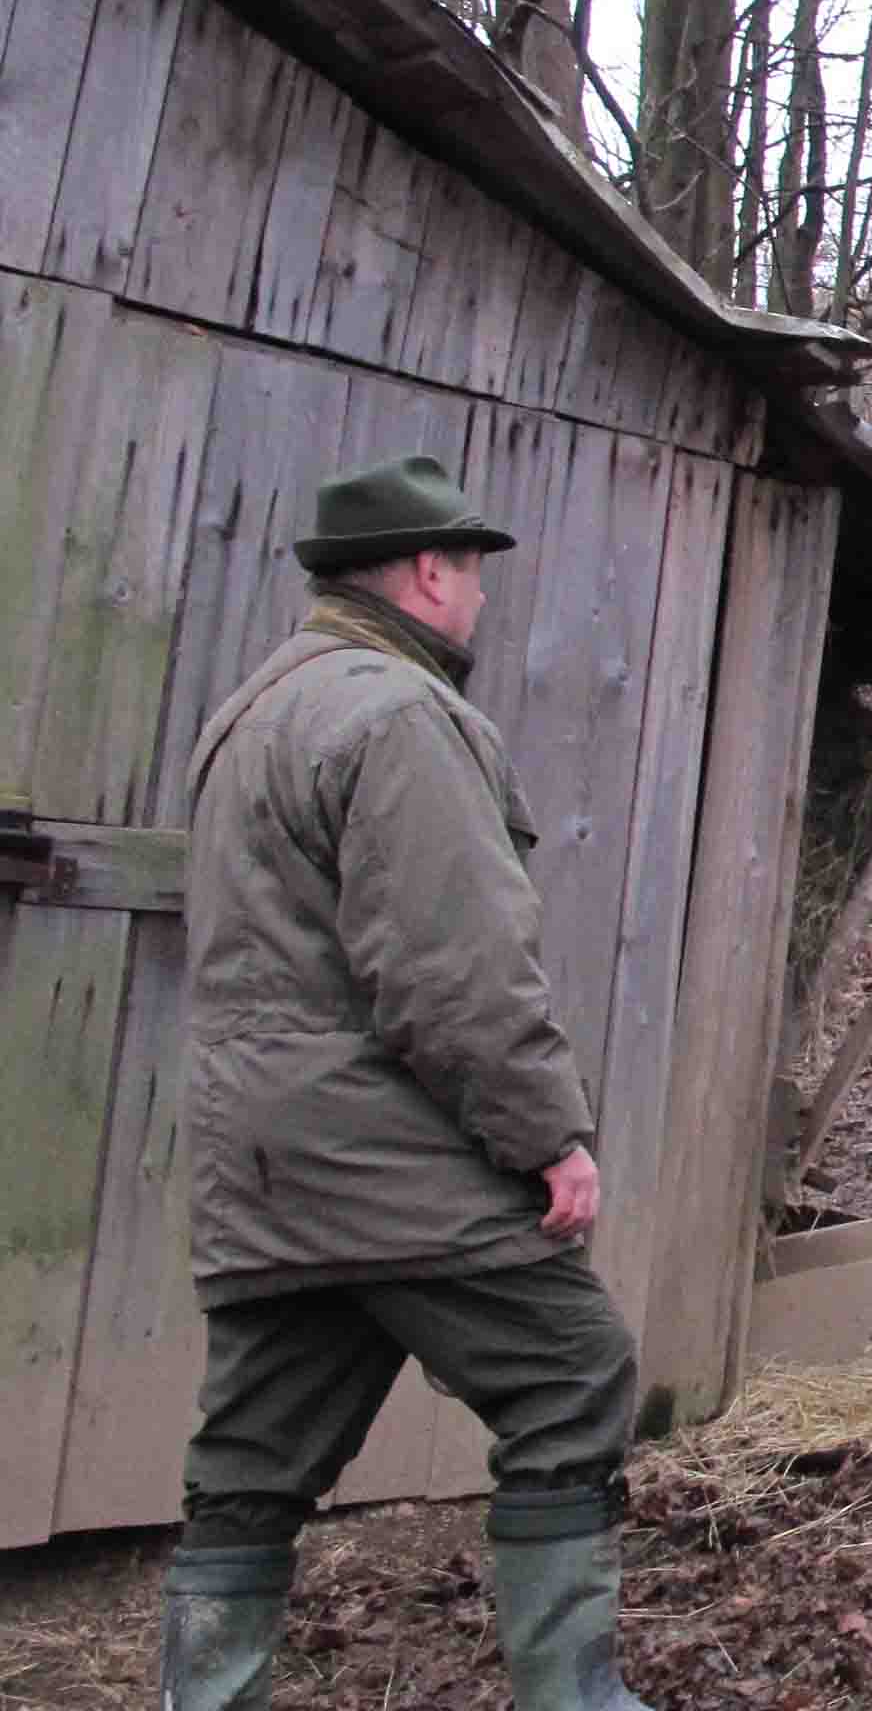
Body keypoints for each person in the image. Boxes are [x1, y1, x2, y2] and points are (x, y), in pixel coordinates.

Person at [160, 455, 660, 1711]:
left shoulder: (253, 710)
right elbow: (455, 966)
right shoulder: (399, 715)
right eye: (475, 570)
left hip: (260, 1158)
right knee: (571, 1365)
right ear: (431, 571)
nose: (482, 595)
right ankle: (577, 1699)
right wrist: (549, 1134)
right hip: (379, 1144)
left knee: (253, 1451)